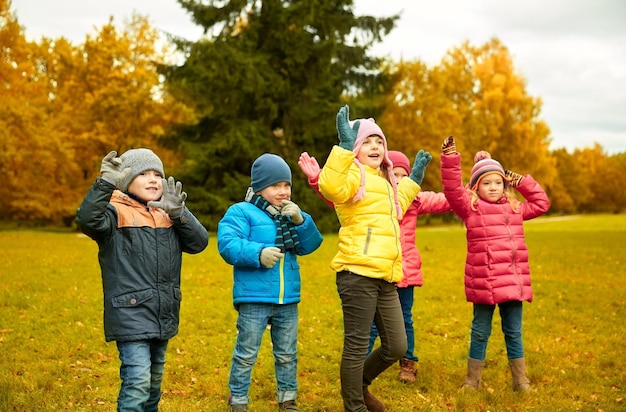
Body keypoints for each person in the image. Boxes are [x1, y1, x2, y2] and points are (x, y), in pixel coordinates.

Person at [298, 150, 451, 384]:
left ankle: (407, 363)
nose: (398, 180)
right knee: (369, 325)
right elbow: (336, 194)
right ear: (383, 172)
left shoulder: (416, 200)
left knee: (405, 320)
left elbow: (450, 199)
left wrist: (472, 187)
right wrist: (317, 178)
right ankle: (361, 364)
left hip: (404, 273)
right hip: (372, 270)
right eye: (394, 173)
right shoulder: (366, 193)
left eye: (403, 175)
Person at [75, 148, 209, 411]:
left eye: (157, 174)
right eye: (143, 174)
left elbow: (199, 242)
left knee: (154, 383)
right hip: (130, 313)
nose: (153, 180)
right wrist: (105, 184)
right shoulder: (114, 213)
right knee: (137, 382)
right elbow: (87, 220)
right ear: (125, 181)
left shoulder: (168, 214)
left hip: (163, 312)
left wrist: (180, 213)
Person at [317, 105, 432, 412]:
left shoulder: (385, 181)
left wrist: (414, 178)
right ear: (355, 147)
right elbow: (329, 186)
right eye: (366, 141)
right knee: (356, 346)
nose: (375, 147)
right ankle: (354, 406)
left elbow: (396, 206)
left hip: (385, 274)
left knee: (397, 345)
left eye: (379, 142)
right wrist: (342, 150)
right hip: (357, 273)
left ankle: (360, 384)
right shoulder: (352, 176)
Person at [439, 136, 550, 392]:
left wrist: (519, 180)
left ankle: (521, 380)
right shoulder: (471, 209)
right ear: (476, 187)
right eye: (486, 183)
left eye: (498, 182)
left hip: (513, 282)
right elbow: (453, 190)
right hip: (484, 283)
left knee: (513, 332)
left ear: (505, 185)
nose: (492, 187)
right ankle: (472, 380)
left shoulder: (515, 208)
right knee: (480, 331)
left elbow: (542, 203)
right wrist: (450, 159)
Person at [217, 153, 323, 412]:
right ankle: (238, 399)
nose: (283, 191)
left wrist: (301, 221)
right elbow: (227, 244)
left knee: (287, 354)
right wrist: (257, 253)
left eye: (286, 185)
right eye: (276, 185)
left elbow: (312, 245)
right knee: (246, 353)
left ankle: (288, 399)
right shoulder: (241, 212)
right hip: (254, 298)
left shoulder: (291, 213)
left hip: (287, 299)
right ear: (259, 186)